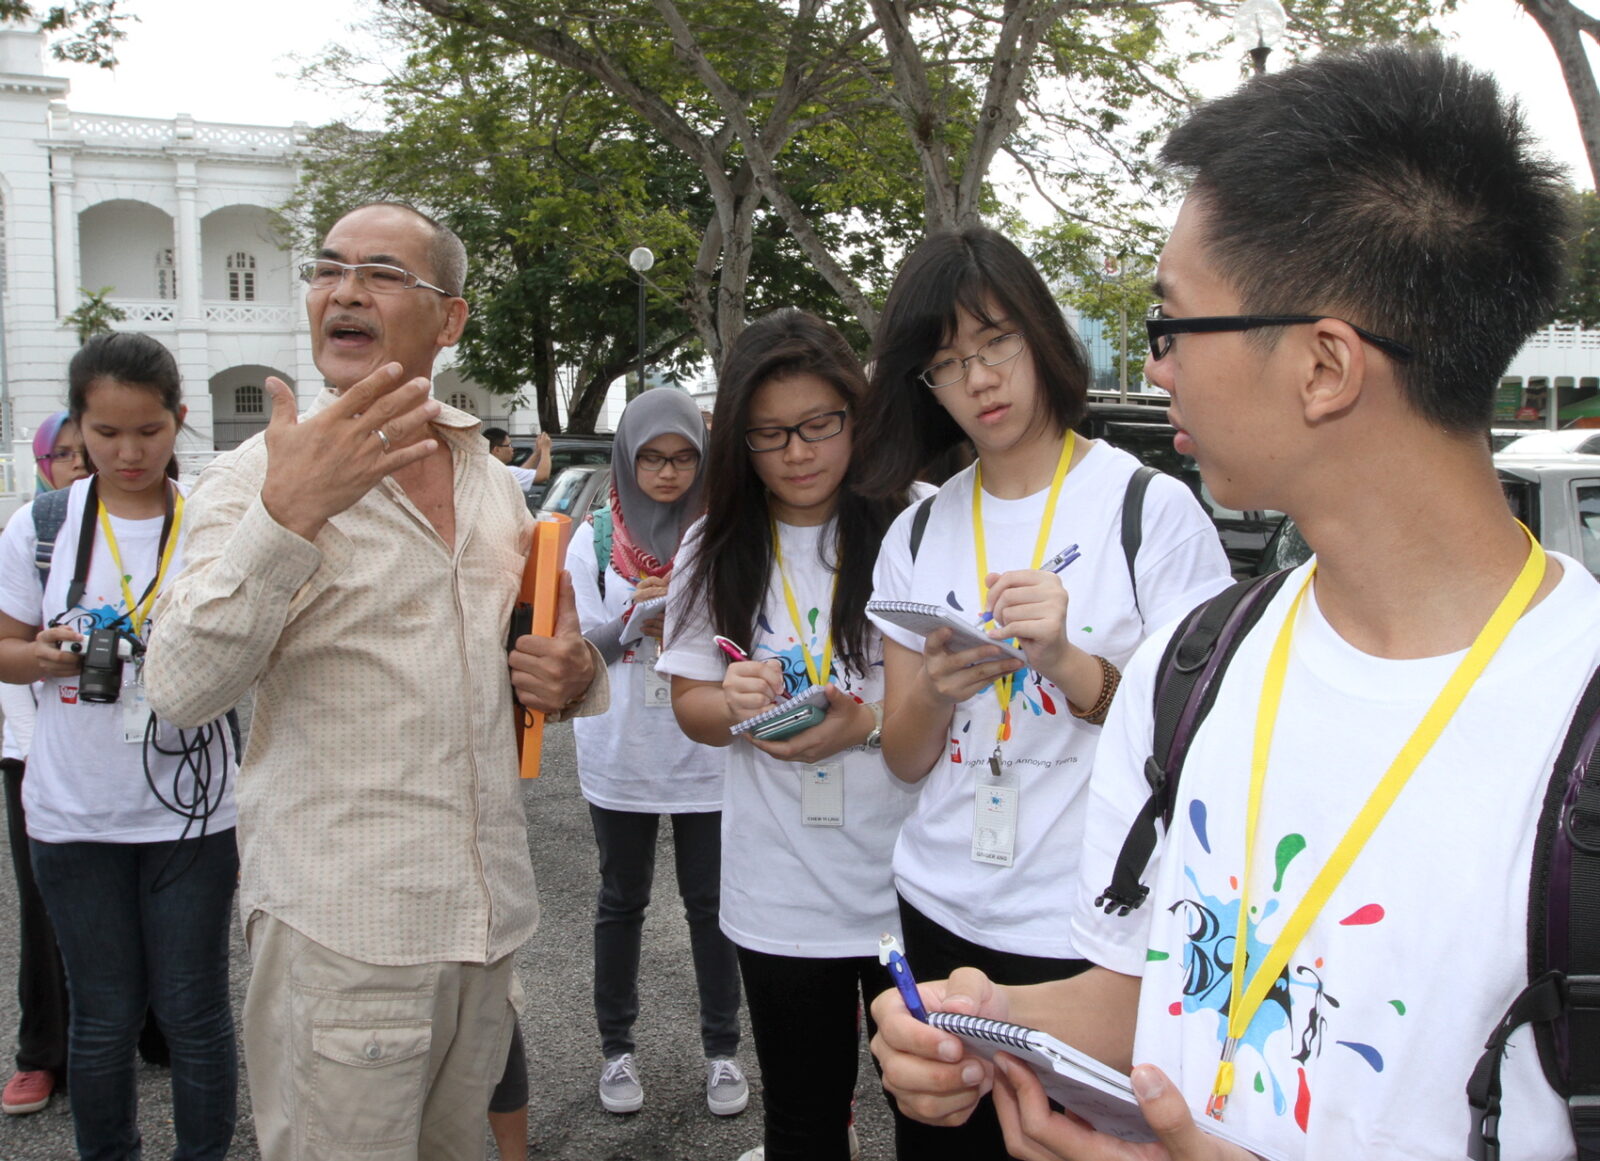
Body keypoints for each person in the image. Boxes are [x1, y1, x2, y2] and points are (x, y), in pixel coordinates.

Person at [871, 46, 1593, 1161]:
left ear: (1323, 367)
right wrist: (989, 1022)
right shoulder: (1193, 669)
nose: (1156, 367)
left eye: (1172, 326)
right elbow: (1152, 993)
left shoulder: (1575, 722)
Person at [142, 202, 607, 1161]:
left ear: (451, 319)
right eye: (328, 270)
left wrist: (574, 673)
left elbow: (525, 662)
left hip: (485, 924)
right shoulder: (253, 478)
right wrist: (288, 517)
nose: (345, 291)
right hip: (344, 938)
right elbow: (179, 687)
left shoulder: (489, 477)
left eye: (383, 274)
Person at [856, 225, 1231, 1158]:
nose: (980, 378)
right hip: (938, 904)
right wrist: (936, 686)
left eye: (997, 343)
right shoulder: (917, 532)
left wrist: (1066, 661)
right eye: (949, 364)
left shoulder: (1150, 512)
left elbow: (1201, 745)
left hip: (1089, 936)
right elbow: (903, 757)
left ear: (1042, 336)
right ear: (927, 385)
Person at [659, 308, 923, 1161]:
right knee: (804, 1120)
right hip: (781, 893)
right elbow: (691, 707)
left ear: (858, 414)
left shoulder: (920, 523)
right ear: (738, 440)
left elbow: (960, 696)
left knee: (932, 1111)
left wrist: (868, 724)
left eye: (819, 425)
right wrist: (731, 701)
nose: (798, 453)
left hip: (913, 887)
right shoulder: (716, 543)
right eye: (769, 434)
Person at [0, 333, 241, 1159]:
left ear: (180, 419)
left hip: (194, 813)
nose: (129, 452)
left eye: (149, 431)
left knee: (194, 1009)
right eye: (105, 433)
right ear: (77, 426)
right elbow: (5, 645)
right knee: (102, 1013)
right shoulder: (42, 525)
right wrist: (42, 656)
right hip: (73, 813)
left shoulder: (212, 522)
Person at [568, 386, 747, 1117]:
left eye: (683, 458)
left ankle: (723, 1051)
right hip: (621, 748)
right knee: (621, 899)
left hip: (704, 748)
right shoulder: (593, 539)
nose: (668, 473)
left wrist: (690, 611)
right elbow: (578, 651)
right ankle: (617, 1048)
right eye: (651, 458)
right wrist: (634, 619)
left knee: (712, 904)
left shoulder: (725, 530)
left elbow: (747, 638)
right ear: (626, 458)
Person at [0, 411, 85, 1117]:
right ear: (42, 464)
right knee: (44, 904)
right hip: (33, 748)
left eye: (85, 450)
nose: (78, 462)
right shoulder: (32, 530)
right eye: (63, 454)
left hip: (125, 746)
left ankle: (149, 1026)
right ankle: (42, 1052)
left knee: (143, 895)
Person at [485, 426, 551, 493]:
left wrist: (537, 453)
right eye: (509, 445)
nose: (512, 449)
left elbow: (520, 473)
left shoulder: (487, 468)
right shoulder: (503, 472)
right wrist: (545, 448)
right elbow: (542, 476)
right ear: (497, 450)